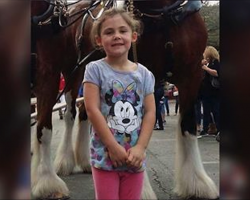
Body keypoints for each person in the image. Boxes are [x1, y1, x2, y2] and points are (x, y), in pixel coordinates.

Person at [83, 8, 156, 200]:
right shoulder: (94, 70)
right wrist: (112, 146)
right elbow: (92, 109)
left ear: (133, 36)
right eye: (109, 32)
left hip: (135, 159)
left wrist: (141, 147)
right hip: (105, 157)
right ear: (99, 40)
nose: (116, 36)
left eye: (122, 31)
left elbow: (149, 112)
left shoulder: (145, 74)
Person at [200, 46, 220, 136]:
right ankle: (205, 128)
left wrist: (206, 68)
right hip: (206, 92)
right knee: (206, 111)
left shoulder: (216, 62)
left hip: (214, 91)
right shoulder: (206, 63)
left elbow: (216, 73)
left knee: (216, 110)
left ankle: (219, 128)